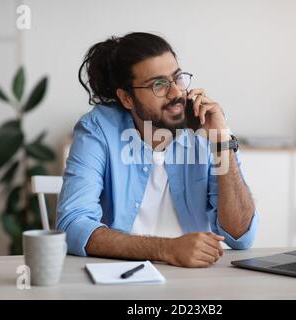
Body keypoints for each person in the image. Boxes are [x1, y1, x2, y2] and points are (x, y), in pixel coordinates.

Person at [57, 32, 259, 268]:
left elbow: (241, 236)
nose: (176, 93)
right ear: (127, 99)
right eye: (159, 85)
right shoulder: (98, 129)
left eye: (178, 78)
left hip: (195, 280)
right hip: (118, 277)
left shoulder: (206, 125)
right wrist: (167, 249)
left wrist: (222, 141)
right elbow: (73, 225)